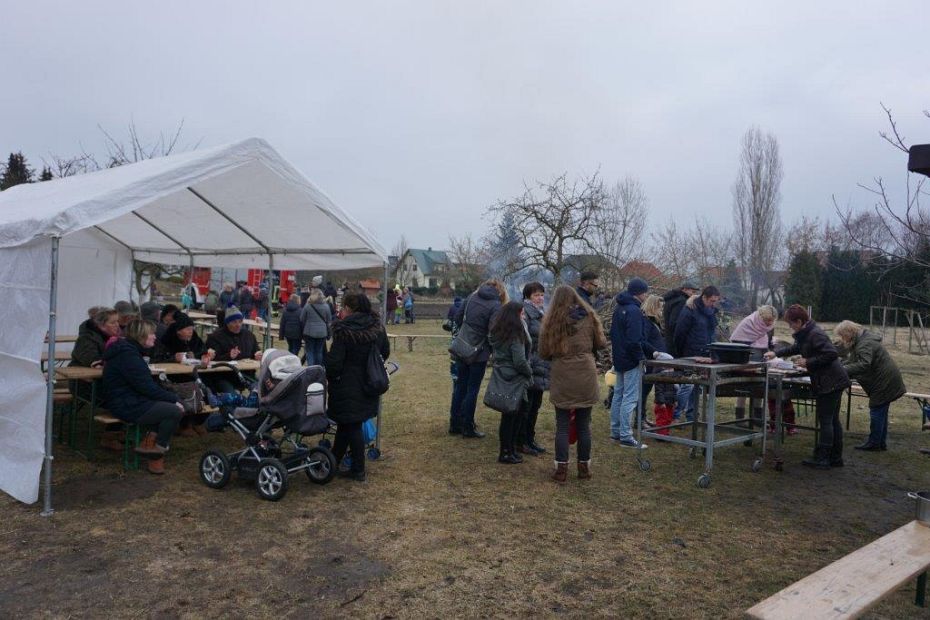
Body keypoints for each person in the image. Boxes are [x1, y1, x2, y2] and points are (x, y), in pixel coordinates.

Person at [766, 305, 850, 469]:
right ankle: (835, 458)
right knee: (832, 420)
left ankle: (823, 459)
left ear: (799, 321)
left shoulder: (815, 334)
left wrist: (808, 362)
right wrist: (776, 353)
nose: (790, 327)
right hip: (833, 380)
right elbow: (797, 347)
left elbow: (831, 353)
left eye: (791, 323)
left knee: (826, 420)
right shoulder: (807, 333)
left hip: (830, 382)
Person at [539, 285, 607, 483]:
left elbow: (543, 352)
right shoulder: (589, 316)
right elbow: (601, 343)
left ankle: (561, 469)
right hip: (585, 372)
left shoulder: (552, 321)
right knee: (584, 425)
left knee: (562, 425)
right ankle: (584, 468)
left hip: (563, 373)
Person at [102, 319, 184, 475]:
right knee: (174, 411)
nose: (155, 336)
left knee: (168, 408)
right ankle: (157, 452)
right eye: (151, 333)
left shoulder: (129, 351)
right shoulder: (128, 355)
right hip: (126, 404)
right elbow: (147, 388)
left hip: (130, 399)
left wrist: (172, 399)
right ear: (141, 335)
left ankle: (149, 444)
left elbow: (145, 387)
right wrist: (175, 399)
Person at [325, 292, 391, 482]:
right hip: (369, 382)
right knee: (347, 424)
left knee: (352, 425)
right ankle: (334, 461)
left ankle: (358, 469)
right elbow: (385, 351)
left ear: (349, 308)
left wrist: (329, 367)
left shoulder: (344, 330)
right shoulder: (377, 327)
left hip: (347, 384)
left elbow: (334, 364)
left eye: (343, 307)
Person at [834, 320, 906, 451]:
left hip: (884, 381)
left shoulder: (864, 343)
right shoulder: (862, 340)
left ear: (849, 332)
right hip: (886, 379)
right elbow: (854, 360)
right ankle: (880, 442)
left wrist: (842, 369)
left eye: (843, 335)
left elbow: (864, 364)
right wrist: (842, 364)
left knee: (876, 410)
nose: (842, 339)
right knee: (881, 411)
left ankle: (874, 443)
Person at [449, 279, 507, 438]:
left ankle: (455, 423)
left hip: (462, 348)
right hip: (479, 353)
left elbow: (457, 318)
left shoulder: (471, 297)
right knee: (472, 389)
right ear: (500, 290)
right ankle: (468, 426)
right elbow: (493, 332)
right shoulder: (496, 305)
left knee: (460, 386)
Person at [729, 305, 796, 433]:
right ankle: (739, 417)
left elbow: (769, 341)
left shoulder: (770, 326)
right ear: (760, 317)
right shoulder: (748, 322)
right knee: (743, 386)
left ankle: (757, 417)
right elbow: (738, 343)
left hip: (762, 356)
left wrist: (772, 349)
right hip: (745, 356)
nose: (769, 323)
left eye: (772, 321)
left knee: (759, 385)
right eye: (767, 320)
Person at [609, 278, 654, 448]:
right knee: (630, 397)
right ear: (639, 293)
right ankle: (626, 436)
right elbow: (635, 340)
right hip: (631, 360)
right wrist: (641, 358)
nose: (646, 295)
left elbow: (614, 335)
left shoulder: (619, 308)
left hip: (619, 358)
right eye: (645, 292)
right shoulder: (634, 311)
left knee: (618, 395)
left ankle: (615, 432)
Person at [488, 301, 534, 464]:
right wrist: (529, 372)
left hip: (503, 373)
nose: (524, 316)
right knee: (514, 415)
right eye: (522, 313)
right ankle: (507, 451)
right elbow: (519, 361)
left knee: (508, 415)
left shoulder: (499, 331)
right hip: (515, 377)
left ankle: (508, 450)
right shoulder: (516, 334)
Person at [673, 285, 721, 422]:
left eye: (715, 301)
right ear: (704, 297)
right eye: (711, 301)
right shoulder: (690, 310)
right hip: (690, 353)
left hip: (705, 353)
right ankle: (675, 412)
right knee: (687, 385)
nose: (713, 304)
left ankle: (692, 416)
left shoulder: (711, 312)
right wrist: (681, 353)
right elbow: (679, 333)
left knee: (697, 387)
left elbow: (711, 333)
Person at [515, 283, 549, 455]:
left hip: (542, 365)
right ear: (528, 297)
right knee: (526, 407)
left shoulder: (542, 313)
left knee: (535, 405)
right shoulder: (525, 313)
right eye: (536, 295)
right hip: (531, 365)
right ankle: (521, 441)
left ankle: (530, 438)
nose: (540, 298)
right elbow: (523, 341)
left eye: (542, 294)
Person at [662, 281, 699, 419]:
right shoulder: (681, 301)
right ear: (685, 289)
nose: (693, 294)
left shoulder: (671, 299)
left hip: (670, 342)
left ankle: (674, 411)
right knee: (685, 381)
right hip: (676, 345)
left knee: (677, 381)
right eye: (692, 291)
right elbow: (675, 324)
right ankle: (675, 412)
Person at [641, 294, 677, 434]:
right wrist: (655, 352)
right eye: (660, 308)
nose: (661, 311)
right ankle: (640, 419)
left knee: (647, 390)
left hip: (656, 361)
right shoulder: (646, 322)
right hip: (651, 361)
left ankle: (642, 418)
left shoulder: (654, 322)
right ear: (653, 307)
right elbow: (643, 341)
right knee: (643, 391)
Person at [300, 288, 332, 366]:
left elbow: (302, 319)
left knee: (310, 351)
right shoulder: (326, 306)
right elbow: (329, 320)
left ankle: (311, 368)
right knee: (319, 351)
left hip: (309, 332)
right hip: (322, 332)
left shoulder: (308, 306)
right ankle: (318, 368)